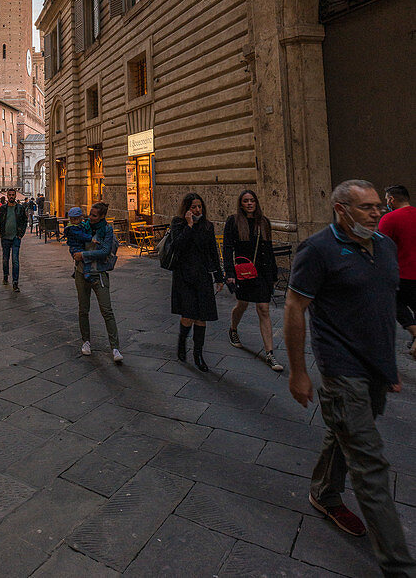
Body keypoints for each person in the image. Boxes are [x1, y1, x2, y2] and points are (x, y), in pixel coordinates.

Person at [284, 179, 416, 575]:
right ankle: (399, 565)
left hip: (376, 368)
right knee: (371, 465)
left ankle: (324, 491)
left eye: (379, 206)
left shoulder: (386, 246)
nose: (378, 213)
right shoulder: (318, 250)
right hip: (341, 370)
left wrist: (406, 336)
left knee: (343, 431)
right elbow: (294, 306)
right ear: (341, 210)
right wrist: (298, 372)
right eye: (367, 208)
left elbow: (388, 298)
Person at [223, 189, 283, 371]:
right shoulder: (234, 222)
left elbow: (269, 249)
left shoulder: (263, 222)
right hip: (244, 273)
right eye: (246, 201)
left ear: (256, 203)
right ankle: (233, 329)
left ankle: (270, 354)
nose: (249, 203)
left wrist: (274, 275)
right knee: (242, 304)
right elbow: (227, 248)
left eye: (252, 200)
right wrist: (229, 273)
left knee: (263, 309)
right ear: (241, 204)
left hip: (262, 273)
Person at [170, 193, 224, 372]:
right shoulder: (178, 224)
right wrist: (190, 225)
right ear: (187, 208)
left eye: (200, 206)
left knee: (202, 316)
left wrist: (219, 277)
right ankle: (182, 342)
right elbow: (178, 244)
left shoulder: (208, 226)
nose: (197, 210)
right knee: (188, 315)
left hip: (202, 276)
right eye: (194, 207)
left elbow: (212, 252)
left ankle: (198, 354)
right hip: (184, 276)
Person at [67, 202, 123, 363]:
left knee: (107, 310)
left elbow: (105, 251)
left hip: (99, 274)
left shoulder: (107, 229)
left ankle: (115, 347)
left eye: (94, 215)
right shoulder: (83, 226)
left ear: (102, 216)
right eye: (90, 214)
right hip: (80, 273)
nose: (90, 218)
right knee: (83, 309)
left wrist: (83, 255)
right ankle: (86, 341)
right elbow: (73, 241)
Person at [380, 184, 416, 358]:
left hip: (402, 274)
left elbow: (382, 248)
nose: (387, 203)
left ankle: (415, 333)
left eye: (387, 199)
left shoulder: (389, 219)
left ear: (392, 199)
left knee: (392, 301)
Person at [0, 187, 27, 291]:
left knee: (15, 260)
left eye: (13, 195)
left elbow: (25, 222)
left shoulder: (20, 208)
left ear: (15, 196)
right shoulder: (2, 208)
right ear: (7, 196)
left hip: (16, 237)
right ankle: (5, 275)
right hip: (5, 237)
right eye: (9, 195)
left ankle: (15, 282)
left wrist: (21, 234)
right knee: (5, 259)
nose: (11, 196)